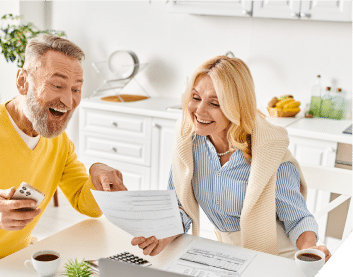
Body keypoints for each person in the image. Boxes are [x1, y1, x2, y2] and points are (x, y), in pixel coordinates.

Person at [132, 55, 331, 261]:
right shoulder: (188, 141)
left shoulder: (267, 151)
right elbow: (180, 205)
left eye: (214, 103)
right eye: (196, 97)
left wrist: (311, 252)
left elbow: (297, 219)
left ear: (236, 107)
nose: (199, 111)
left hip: (278, 257)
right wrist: (165, 233)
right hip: (230, 256)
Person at [0, 34, 126, 272]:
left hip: (20, 256)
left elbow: (88, 206)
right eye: (57, 85)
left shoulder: (59, 142)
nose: (68, 100)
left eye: (76, 89)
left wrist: (97, 174)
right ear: (23, 81)